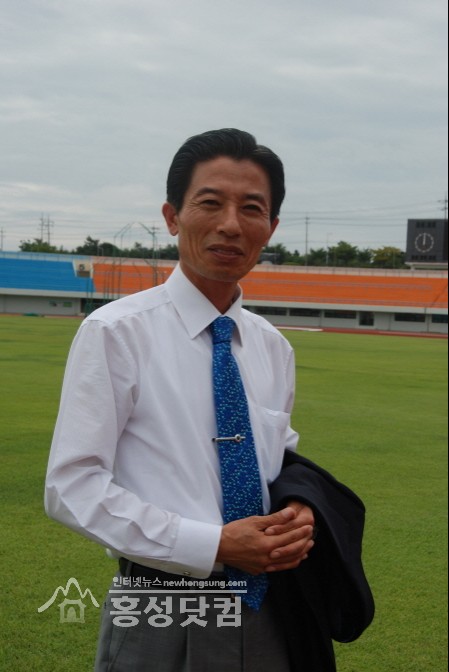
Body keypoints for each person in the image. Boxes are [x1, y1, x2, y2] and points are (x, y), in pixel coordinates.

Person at [45, 128, 317, 671]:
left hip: (269, 609)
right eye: (210, 203)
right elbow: (71, 486)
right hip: (160, 606)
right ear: (172, 217)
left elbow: (279, 460)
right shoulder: (116, 333)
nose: (230, 224)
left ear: (271, 228)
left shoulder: (273, 347)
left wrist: (298, 507)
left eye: (251, 208)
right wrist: (211, 545)